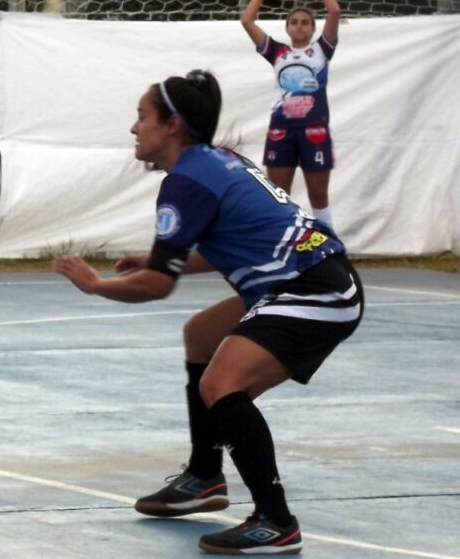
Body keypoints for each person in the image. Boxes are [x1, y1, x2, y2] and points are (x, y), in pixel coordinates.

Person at [52, 69, 362, 555]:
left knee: (221, 384)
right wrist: (159, 259)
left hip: (313, 289)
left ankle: (276, 520)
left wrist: (98, 286)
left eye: (141, 117)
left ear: (172, 125)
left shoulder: (186, 182)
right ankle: (204, 476)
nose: (134, 128)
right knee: (201, 335)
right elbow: (234, 244)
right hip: (313, 276)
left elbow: (158, 286)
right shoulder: (215, 162)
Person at [240, 0, 342, 229]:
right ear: (287, 27)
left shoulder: (321, 51)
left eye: (305, 23)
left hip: (314, 130)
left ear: (312, 28)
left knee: (318, 196)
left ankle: (329, 244)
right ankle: (278, 239)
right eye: (294, 22)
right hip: (281, 131)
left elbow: (334, 11)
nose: (299, 26)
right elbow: (246, 20)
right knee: (278, 196)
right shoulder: (278, 53)